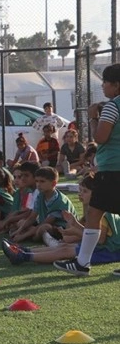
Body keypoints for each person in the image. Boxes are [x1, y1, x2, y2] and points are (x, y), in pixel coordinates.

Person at [55, 63, 120, 276]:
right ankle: (82, 262)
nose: (102, 86)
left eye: (105, 82)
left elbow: (101, 138)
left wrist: (94, 118)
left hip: (112, 168)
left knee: (94, 213)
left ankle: (82, 263)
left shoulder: (112, 106)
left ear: (116, 85)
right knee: (95, 212)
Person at [2, 174, 120, 268]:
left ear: (97, 195)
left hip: (112, 251)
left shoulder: (100, 213)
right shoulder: (94, 211)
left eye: (84, 191)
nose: (80, 194)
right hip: (107, 247)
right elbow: (90, 234)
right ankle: (24, 251)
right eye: (80, 190)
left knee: (65, 250)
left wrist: (75, 227)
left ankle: (23, 256)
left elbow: (100, 240)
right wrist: (74, 226)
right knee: (64, 245)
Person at [10, 167, 77, 244]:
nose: (38, 184)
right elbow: (32, 217)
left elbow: (46, 222)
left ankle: (33, 237)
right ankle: (33, 235)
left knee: (44, 227)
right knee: (22, 222)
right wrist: (18, 231)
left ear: (53, 183)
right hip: (44, 225)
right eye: (37, 181)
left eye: (42, 181)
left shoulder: (60, 201)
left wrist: (22, 236)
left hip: (62, 230)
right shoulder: (40, 196)